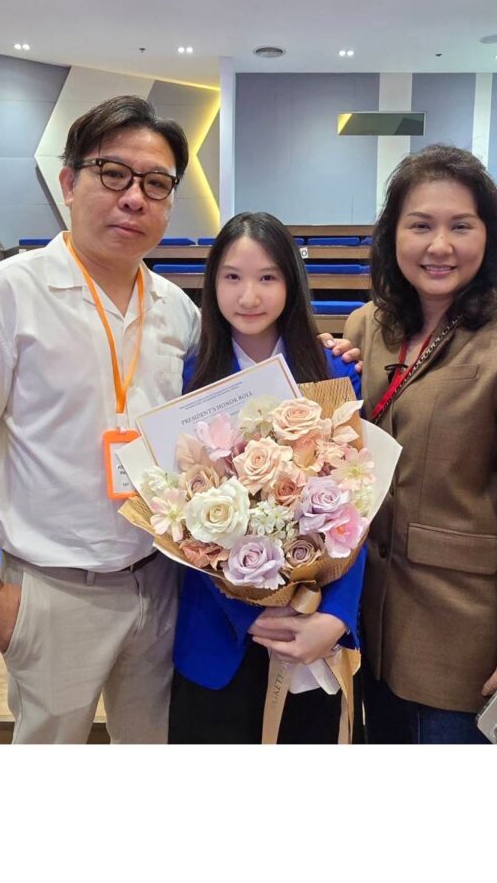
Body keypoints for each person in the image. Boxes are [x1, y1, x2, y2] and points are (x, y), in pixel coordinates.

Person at [0, 96, 357, 745]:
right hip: (53, 589)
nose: (134, 197)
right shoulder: (3, 295)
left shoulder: (178, 315)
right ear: (68, 183)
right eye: (113, 174)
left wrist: (329, 352)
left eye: (155, 184)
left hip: (161, 588)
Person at [343, 145, 497, 745]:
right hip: (369, 623)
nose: (439, 245)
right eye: (420, 225)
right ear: (392, 235)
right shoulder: (368, 325)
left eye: (460, 226)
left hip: (464, 637)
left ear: (489, 234)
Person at [168, 212, 365, 744]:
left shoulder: (333, 372)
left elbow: (360, 506)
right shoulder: (188, 378)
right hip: (217, 634)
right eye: (232, 277)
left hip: (316, 627)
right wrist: (247, 610)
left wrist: (337, 616)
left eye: (267, 278)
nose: (248, 296)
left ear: (291, 284)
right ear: (212, 284)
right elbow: (173, 520)